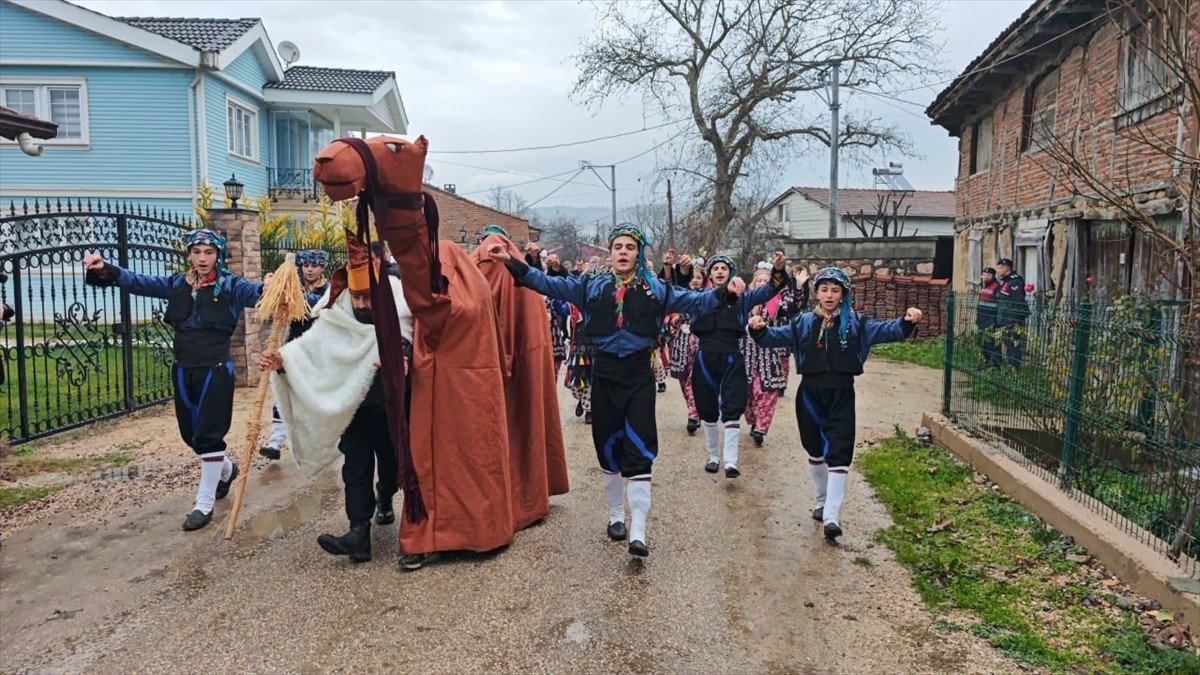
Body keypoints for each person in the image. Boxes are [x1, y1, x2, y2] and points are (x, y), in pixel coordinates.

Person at [313, 134, 515, 572]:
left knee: (397, 457)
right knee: (362, 460)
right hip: (363, 393)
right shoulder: (345, 294)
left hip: (397, 389)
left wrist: (404, 353)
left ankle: (407, 513)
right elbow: (321, 332)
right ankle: (364, 530)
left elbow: (423, 314)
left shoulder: (425, 285)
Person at [486, 222, 746, 558]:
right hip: (604, 374)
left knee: (639, 449)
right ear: (610, 254)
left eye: (630, 247)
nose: (623, 252)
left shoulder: (658, 290)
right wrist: (512, 261)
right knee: (607, 447)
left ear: (639, 254)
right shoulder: (591, 286)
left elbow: (698, 302)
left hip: (639, 376)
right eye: (618, 247)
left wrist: (728, 292)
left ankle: (638, 529)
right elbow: (547, 283)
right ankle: (615, 516)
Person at [83, 229, 271, 531]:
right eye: (197, 252)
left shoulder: (232, 286)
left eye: (208, 253)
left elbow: (256, 292)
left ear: (218, 255)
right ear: (189, 255)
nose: (202, 258)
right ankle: (225, 469)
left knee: (209, 435)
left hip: (215, 369)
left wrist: (269, 286)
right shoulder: (176, 284)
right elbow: (138, 282)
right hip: (184, 368)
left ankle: (204, 502)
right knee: (192, 437)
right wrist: (106, 269)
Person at [261, 231, 411, 562]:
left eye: (368, 298)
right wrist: (282, 361)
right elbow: (313, 344)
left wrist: (403, 355)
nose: (361, 304)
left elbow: (411, 336)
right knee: (355, 467)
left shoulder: (398, 302)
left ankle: (385, 498)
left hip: (389, 405)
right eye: (357, 298)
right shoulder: (338, 306)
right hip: (352, 406)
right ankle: (359, 533)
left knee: (389, 465)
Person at [747, 267, 922, 542]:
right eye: (824, 289)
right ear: (816, 292)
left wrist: (907, 322)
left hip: (842, 394)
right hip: (810, 395)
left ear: (843, 295)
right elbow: (774, 338)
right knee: (814, 450)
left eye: (835, 290)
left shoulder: (856, 323)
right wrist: (758, 329)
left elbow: (887, 331)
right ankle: (821, 500)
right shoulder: (802, 323)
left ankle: (832, 516)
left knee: (840, 452)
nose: (829, 295)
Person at [472, 224, 570, 531]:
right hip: (507, 369)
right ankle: (529, 490)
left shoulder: (487, 270)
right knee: (525, 427)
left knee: (506, 432)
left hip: (493, 370)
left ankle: (506, 498)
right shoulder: (518, 274)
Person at [691, 252, 790, 477]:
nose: (719, 272)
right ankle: (714, 456)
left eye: (724, 269)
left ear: (731, 274)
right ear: (709, 274)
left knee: (733, 407)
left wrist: (777, 270)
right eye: (715, 268)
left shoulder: (743, 298)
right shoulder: (699, 296)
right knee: (706, 409)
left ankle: (731, 461)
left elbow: (770, 290)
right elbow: (674, 291)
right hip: (705, 357)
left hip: (731, 357)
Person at [261, 248, 331, 461]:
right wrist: (272, 288)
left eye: (314, 266)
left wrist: (290, 294)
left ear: (322, 267)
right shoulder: (293, 287)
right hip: (293, 347)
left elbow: (311, 307)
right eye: (306, 265)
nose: (309, 270)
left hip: (317, 350)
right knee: (284, 391)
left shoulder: (328, 291)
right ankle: (275, 441)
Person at [742, 264, 808, 447]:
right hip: (747, 354)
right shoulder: (744, 302)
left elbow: (794, 305)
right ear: (752, 284)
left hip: (769, 353)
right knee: (748, 392)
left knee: (766, 390)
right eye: (759, 281)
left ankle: (761, 427)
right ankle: (753, 419)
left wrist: (799, 286)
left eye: (766, 281)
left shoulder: (780, 302)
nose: (763, 284)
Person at [994, 258, 1028, 367]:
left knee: (1013, 346)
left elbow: (1017, 301)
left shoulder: (1015, 281)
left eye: (999, 268)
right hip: (1005, 320)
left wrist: (1015, 320)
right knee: (1008, 345)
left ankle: (1014, 369)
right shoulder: (1006, 281)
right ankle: (1010, 367)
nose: (998, 271)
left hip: (1012, 320)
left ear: (1005, 268)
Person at [976, 267, 1002, 369]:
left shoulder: (996, 287)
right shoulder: (984, 287)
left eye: (985, 275)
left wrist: (996, 321)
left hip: (991, 319)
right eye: (982, 275)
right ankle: (985, 363)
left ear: (991, 276)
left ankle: (995, 365)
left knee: (992, 344)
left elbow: (999, 305)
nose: (983, 277)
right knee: (984, 343)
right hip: (982, 319)